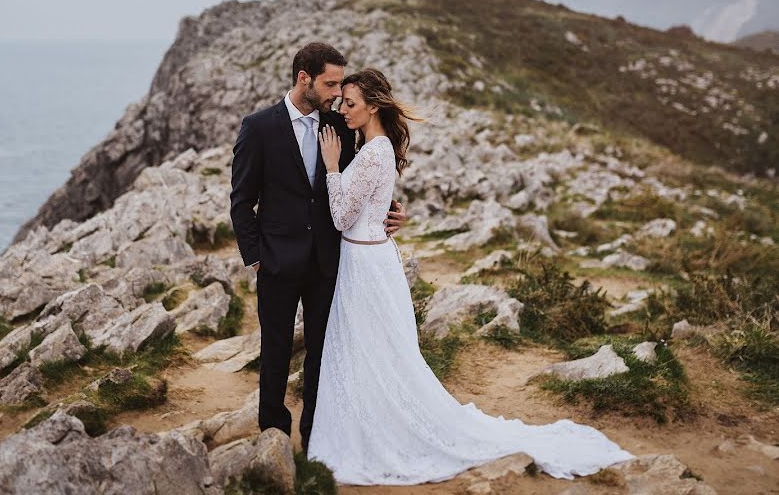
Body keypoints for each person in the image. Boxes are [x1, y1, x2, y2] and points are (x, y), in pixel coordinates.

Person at [308, 68, 634, 485]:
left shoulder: (371, 153)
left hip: (365, 266)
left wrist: (332, 167)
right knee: (376, 351)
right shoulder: (377, 147)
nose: (343, 110)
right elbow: (371, 205)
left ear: (372, 106)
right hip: (372, 259)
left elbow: (340, 217)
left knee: (374, 351)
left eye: (350, 103)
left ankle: (380, 429)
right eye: (341, 103)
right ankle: (373, 417)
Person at [229, 43, 407, 454]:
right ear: (303, 78)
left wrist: (392, 211)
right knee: (274, 350)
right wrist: (255, 256)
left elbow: (361, 184)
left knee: (323, 352)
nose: (336, 93)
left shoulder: (343, 126)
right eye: (329, 83)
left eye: (340, 85)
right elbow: (241, 200)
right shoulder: (258, 127)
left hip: (331, 260)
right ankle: (272, 432)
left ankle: (315, 436)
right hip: (275, 260)